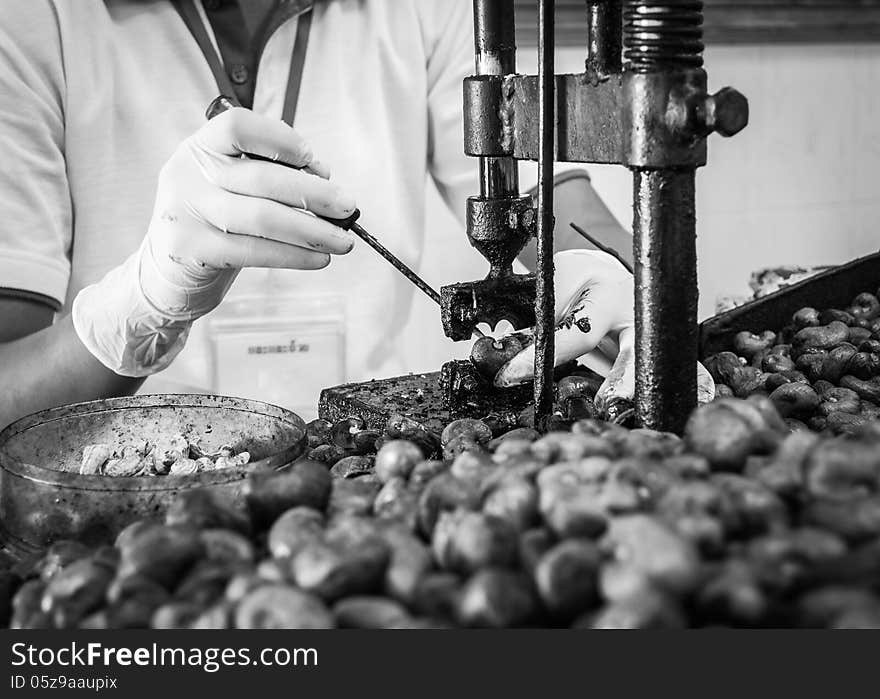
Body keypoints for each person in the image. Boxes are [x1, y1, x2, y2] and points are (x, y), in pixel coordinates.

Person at [0, 0, 704, 431]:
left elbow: (553, 205)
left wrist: (631, 288)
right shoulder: (34, 18)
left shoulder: (425, 6)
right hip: (133, 494)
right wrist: (140, 306)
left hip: (376, 454)